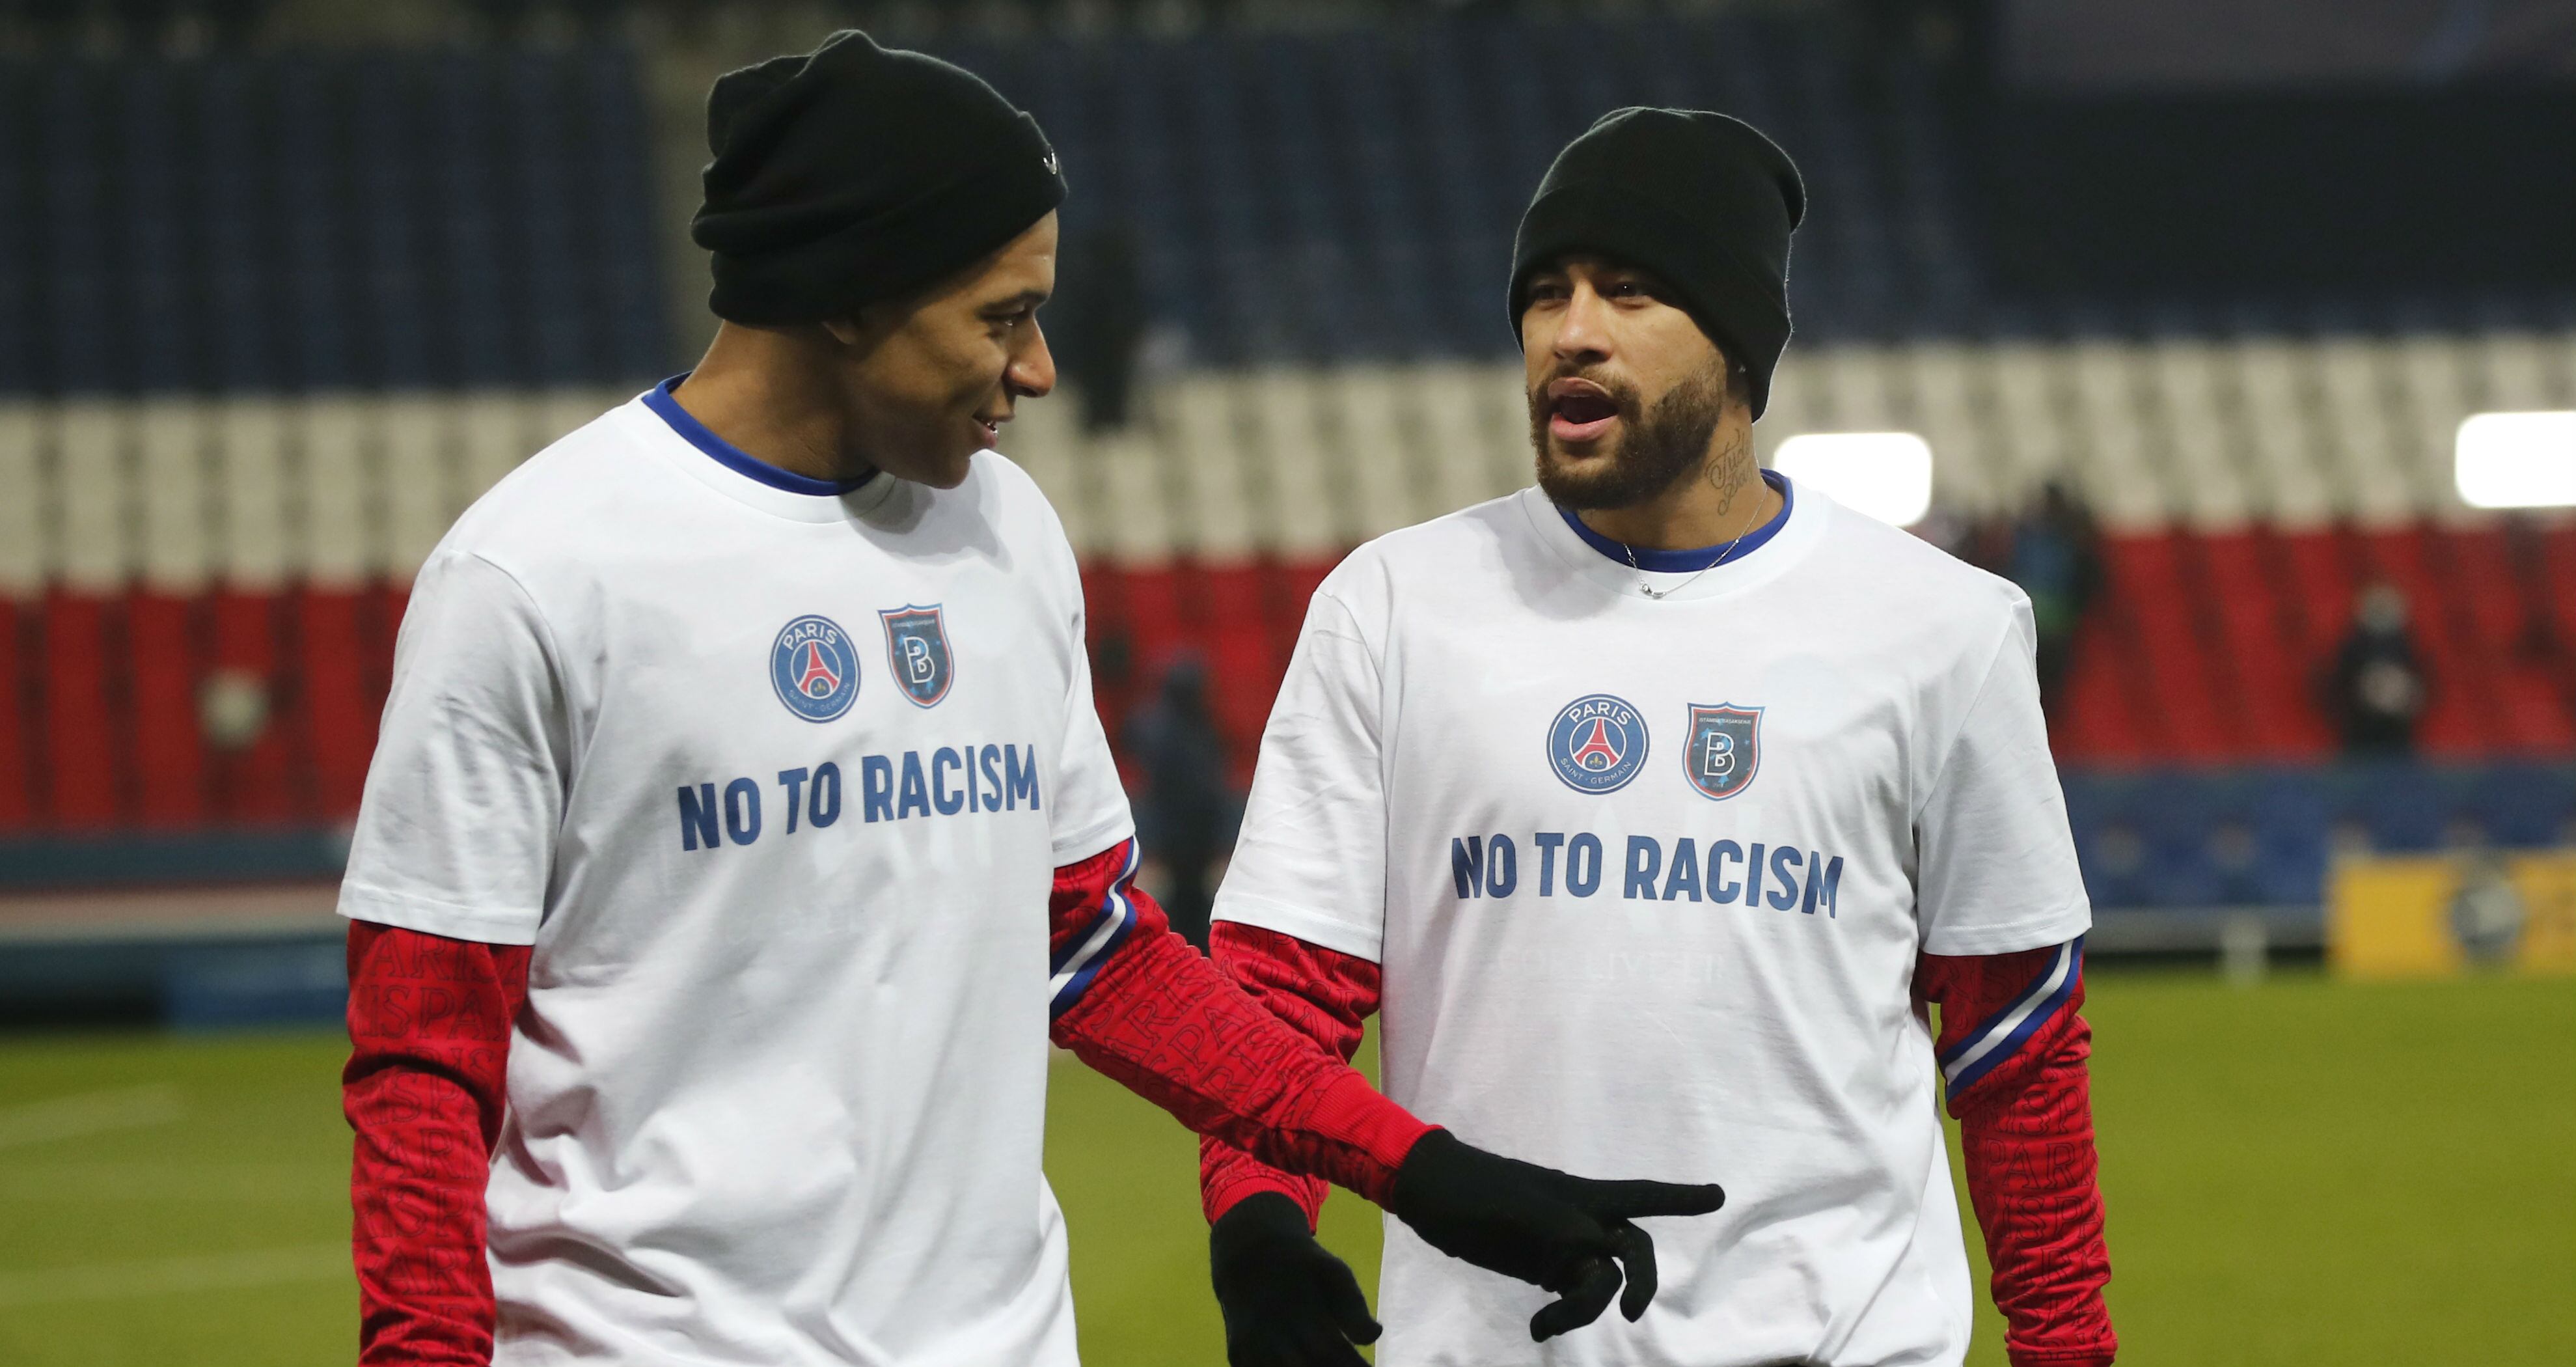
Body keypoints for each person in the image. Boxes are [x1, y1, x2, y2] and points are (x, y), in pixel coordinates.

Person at [338, 37, 1721, 1367]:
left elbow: (1091, 950)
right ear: (844, 294)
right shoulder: (534, 576)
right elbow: (422, 1064)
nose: (1041, 369)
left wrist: (1415, 1170)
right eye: (1000, 318)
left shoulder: (1004, 534)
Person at [1195, 109, 2117, 1367]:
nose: (1569, 332)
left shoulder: (1942, 628)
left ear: (1736, 346)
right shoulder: (1393, 606)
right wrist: (1262, 1236)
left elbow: (2013, 1046)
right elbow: (1277, 1002)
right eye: (1543, 294)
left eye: (1628, 292)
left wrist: (2065, 1351)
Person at [1122, 654, 1239, 947]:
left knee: (1195, 902)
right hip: (1174, 832)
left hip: (1198, 834)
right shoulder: (1156, 727)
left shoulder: (1201, 726)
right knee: (1181, 905)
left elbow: (1213, 781)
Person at [2326, 580, 2426, 754]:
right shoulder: (2353, 648)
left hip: (2398, 729)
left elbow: (2423, 683)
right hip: (2361, 727)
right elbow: (2337, 683)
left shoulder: (2407, 648)